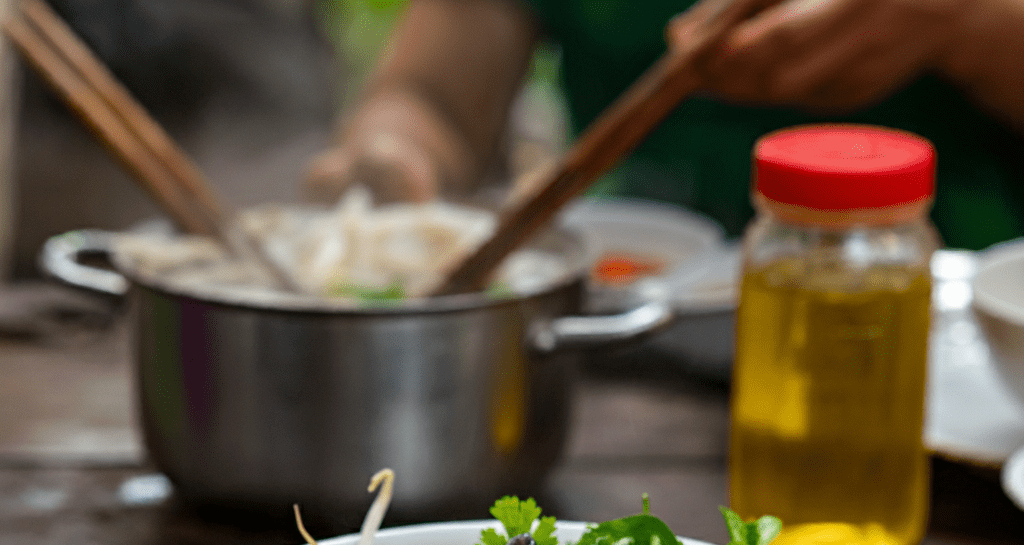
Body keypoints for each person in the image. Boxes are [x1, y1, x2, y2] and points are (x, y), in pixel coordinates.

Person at [303, 0, 1024, 251]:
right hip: (627, 346)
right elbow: (432, 95)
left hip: (956, 362)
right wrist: (391, 151)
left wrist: (968, 23)